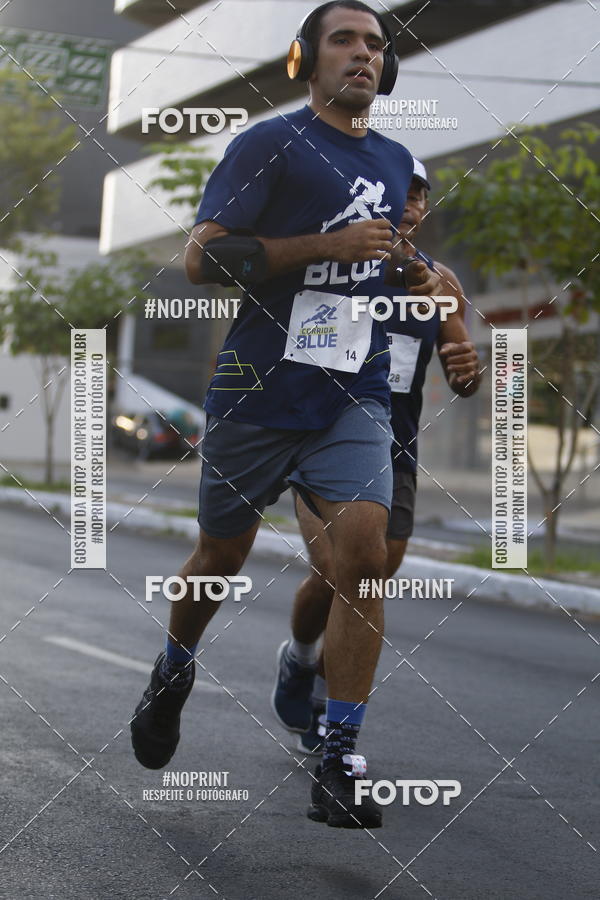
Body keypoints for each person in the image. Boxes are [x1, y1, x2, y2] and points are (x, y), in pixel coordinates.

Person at [130, 0, 442, 830]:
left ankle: (339, 756)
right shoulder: (268, 145)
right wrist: (322, 248)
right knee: (220, 556)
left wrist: (406, 272)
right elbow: (203, 258)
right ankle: (174, 668)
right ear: (306, 58)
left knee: (364, 554)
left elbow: (375, 258)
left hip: (353, 391)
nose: (363, 54)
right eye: (344, 40)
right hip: (258, 389)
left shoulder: (396, 159)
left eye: (375, 44)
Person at [272, 161, 481, 756]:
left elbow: (462, 369)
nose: (410, 203)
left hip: (396, 448)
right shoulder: (332, 267)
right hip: (325, 438)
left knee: (369, 576)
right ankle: (302, 665)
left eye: (420, 195)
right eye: (400, 191)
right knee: (336, 571)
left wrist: (468, 371)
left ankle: (318, 682)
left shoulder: (440, 283)